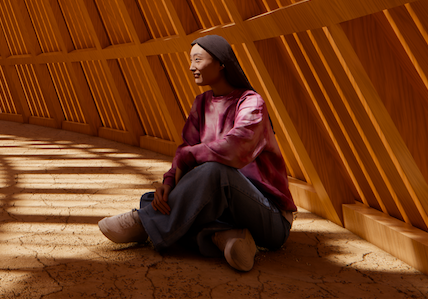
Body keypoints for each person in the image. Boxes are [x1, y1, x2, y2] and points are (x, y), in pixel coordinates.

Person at [98, 35, 297, 271]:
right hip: (229, 211)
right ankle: (226, 238)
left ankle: (144, 220)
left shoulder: (251, 103)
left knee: (214, 172)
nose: (191, 67)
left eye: (198, 59)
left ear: (222, 63)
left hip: (269, 216)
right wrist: (169, 182)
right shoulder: (201, 103)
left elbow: (235, 149)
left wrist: (188, 158)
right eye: (191, 60)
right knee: (169, 200)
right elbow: (185, 148)